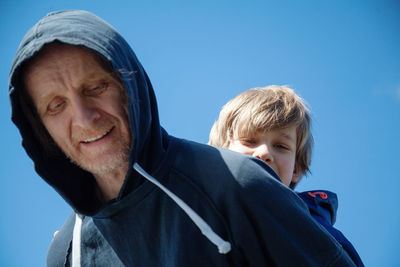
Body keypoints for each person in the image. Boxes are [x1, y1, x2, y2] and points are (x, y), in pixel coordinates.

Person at [9, 10, 355, 266]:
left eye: (96, 87)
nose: (84, 118)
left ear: (131, 85)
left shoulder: (237, 183)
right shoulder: (65, 251)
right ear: (40, 129)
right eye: (55, 106)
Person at [209, 85, 363, 266]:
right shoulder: (194, 204)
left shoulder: (316, 230)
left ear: (296, 169)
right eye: (249, 141)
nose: (264, 152)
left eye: (281, 146)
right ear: (219, 154)